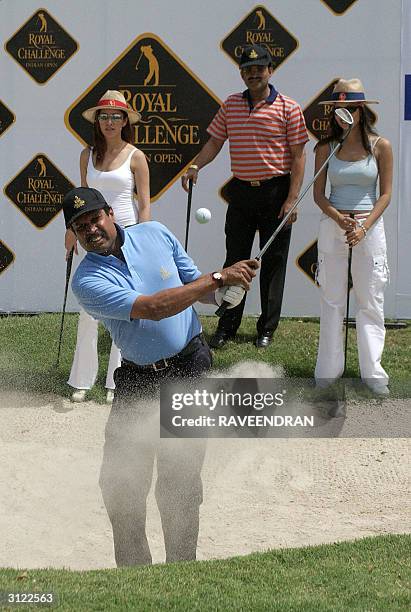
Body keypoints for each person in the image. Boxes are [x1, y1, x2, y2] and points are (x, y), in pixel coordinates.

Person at [62, 186, 259, 565]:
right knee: (120, 483)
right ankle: (137, 575)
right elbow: (154, 308)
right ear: (74, 233)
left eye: (95, 219)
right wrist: (218, 279)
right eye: (80, 225)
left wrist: (224, 292)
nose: (91, 229)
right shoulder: (86, 281)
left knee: (179, 480)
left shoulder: (155, 234)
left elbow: (194, 287)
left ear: (111, 214)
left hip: (189, 367)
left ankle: (181, 571)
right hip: (138, 380)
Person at [182, 44, 309, 349]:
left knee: (274, 263)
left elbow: (299, 157)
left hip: (276, 192)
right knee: (234, 260)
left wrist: (291, 199)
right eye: (247, 70)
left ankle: (266, 328)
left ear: (270, 70)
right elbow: (215, 142)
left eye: (259, 68)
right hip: (241, 192)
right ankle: (227, 326)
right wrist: (196, 163)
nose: (253, 74)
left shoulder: (288, 107)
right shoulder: (230, 105)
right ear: (241, 73)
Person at [65, 90, 151, 403]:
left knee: (124, 309)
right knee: (88, 310)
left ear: (125, 120)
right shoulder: (86, 155)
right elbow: (81, 202)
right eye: (104, 116)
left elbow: (144, 205)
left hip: (125, 236)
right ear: (97, 120)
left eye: (116, 116)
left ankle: (118, 381)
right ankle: (82, 380)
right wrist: (72, 232)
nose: (110, 121)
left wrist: (142, 241)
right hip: (89, 236)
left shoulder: (136, 156)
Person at [313, 78, 393, 395]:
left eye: (348, 108)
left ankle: (373, 374)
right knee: (331, 299)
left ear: (361, 110)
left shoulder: (380, 146)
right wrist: (341, 220)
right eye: (337, 108)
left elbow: (385, 195)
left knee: (370, 299)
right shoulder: (324, 147)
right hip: (334, 225)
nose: (341, 113)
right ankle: (328, 373)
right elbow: (319, 195)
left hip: (369, 228)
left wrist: (362, 226)